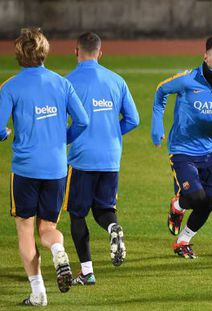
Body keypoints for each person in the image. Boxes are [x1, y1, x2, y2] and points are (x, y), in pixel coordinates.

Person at [0, 28, 89, 306]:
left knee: (25, 230)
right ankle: (58, 249)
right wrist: (62, 141)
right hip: (56, 168)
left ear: (18, 54)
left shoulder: (10, 86)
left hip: (25, 170)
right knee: (48, 227)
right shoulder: (62, 84)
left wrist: (5, 134)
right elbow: (83, 121)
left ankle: (38, 293)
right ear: (44, 52)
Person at [151, 35, 212, 259]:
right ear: (205, 57)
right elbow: (160, 91)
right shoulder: (187, 79)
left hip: (211, 150)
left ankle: (183, 241)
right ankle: (177, 205)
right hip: (182, 150)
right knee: (195, 197)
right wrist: (157, 125)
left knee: (210, 200)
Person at [65, 32, 139, 285]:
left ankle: (87, 272)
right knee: (104, 209)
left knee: (77, 214)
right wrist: (110, 133)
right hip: (111, 157)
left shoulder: (67, 82)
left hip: (82, 158)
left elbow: (56, 121)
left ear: (76, 52)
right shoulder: (116, 80)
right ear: (100, 53)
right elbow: (133, 119)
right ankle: (112, 228)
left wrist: (65, 138)